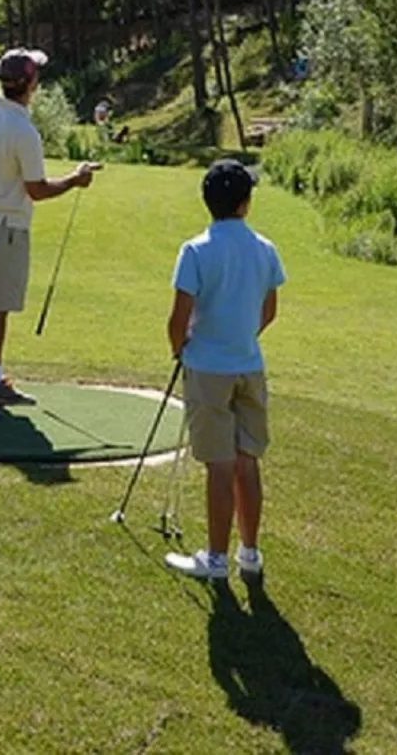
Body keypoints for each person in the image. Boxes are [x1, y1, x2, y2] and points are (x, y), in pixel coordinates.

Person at [0, 48, 98, 421]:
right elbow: (38, 189)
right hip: (4, 227)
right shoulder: (23, 132)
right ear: (31, 83)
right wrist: (76, 180)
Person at [164, 160, 286, 581]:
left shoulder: (196, 250)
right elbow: (268, 311)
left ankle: (215, 559)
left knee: (219, 463)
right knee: (246, 460)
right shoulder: (265, 249)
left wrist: (181, 349)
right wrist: (240, 337)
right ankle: (249, 553)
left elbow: (179, 319)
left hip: (207, 369)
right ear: (245, 204)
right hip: (249, 365)